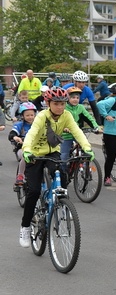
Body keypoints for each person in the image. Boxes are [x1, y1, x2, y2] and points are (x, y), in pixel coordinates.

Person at [18, 87, 94, 248]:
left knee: (62, 173)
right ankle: (25, 227)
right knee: (33, 192)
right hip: (35, 154)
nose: (60, 107)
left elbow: (77, 132)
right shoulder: (41, 116)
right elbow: (32, 134)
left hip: (52, 153)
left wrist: (87, 148)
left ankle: (61, 203)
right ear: (48, 103)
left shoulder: (66, 115)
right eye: (56, 104)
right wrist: (27, 150)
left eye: (63, 104)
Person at [97, 83, 116, 186]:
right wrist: (106, 116)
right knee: (111, 156)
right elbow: (99, 104)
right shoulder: (113, 100)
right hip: (111, 134)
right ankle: (107, 178)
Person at [59, 87, 100, 162]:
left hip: (77, 133)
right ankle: (64, 172)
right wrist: (64, 128)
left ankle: (85, 169)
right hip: (66, 135)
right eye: (73, 97)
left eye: (77, 98)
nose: (75, 99)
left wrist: (96, 127)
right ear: (68, 98)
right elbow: (60, 121)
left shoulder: (80, 107)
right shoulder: (64, 108)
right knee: (64, 157)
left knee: (87, 151)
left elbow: (89, 118)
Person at [9, 102, 37, 186]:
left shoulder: (38, 125)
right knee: (26, 156)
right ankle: (20, 175)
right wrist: (15, 137)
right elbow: (12, 133)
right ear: (22, 116)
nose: (30, 117)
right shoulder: (19, 125)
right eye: (27, 115)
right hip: (22, 148)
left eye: (32, 115)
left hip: (37, 148)